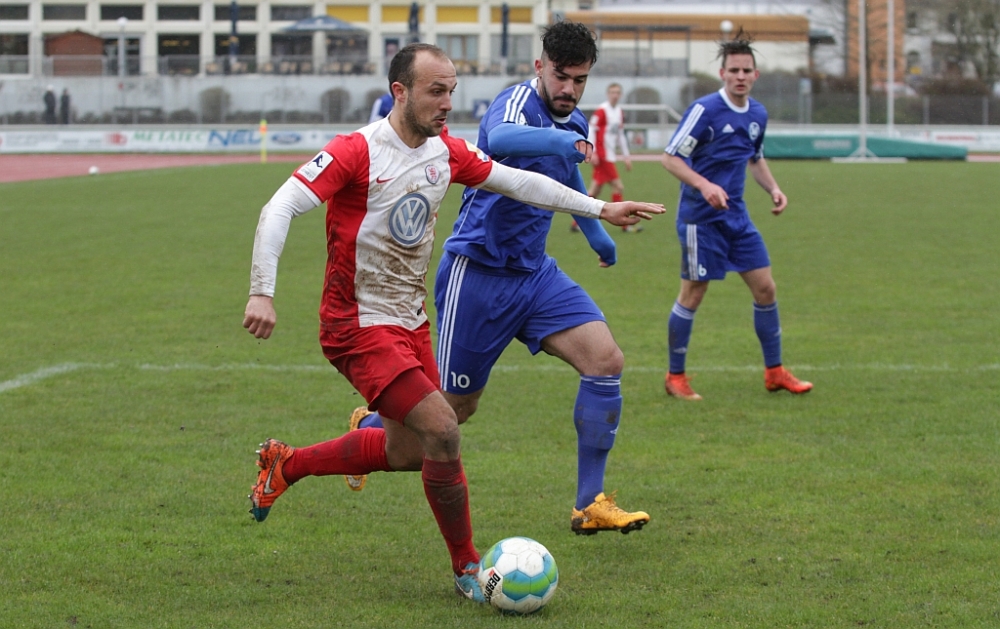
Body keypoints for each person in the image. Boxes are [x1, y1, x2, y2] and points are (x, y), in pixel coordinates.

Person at [242, 43, 661, 603]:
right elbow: (279, 207)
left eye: (452, 92)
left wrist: (601, 209)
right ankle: (468, 568)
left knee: (409, 452)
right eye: (436, 91)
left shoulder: (446, 151)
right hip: (357, 325)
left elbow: (519, 182)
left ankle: (286, 465)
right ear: (400, 92)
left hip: (411, 321)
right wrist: (262, 292)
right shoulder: (356, 150)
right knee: (443, 428)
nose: (447, 103)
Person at [347, 22, 651, 537]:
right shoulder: (515, 104)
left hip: (535, 274)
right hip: (478, 276)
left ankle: (589, 504)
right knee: (452, 411)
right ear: (540, 67)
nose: (569, 89)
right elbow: (503, 139)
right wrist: (563, 140)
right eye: (561, 76)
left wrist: (599, 235)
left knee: (605, 361)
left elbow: (567, 177)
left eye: (579, 80)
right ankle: (371, 426)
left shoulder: (571, 120)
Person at [660, 30, 813, 401]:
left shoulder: (758, 114)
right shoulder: (705, 111)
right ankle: (675, 377)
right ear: (723, 74)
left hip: (737, 219)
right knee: (693, 294)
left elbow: (754, 158)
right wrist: (704, 186)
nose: (740, 76)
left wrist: (773, 189)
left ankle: (774, 372)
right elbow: (670, 158)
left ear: (755, 75)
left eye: (746, 70)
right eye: (734, 70)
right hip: (700, 219)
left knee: (766, 288)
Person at [584, 82, 635, 232]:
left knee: (595, 190)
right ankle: (624, 225)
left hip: (609, 155)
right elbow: (591, 130)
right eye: (612, 92)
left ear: (621, 95)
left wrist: (626, 156)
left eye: (617, 92)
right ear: (608, 94)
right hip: (602, 155)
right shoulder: (602, 110)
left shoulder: (619, 112)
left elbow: (620, 135)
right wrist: (592, 151)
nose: (615, 95)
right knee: (618, 187)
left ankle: (577, 223)